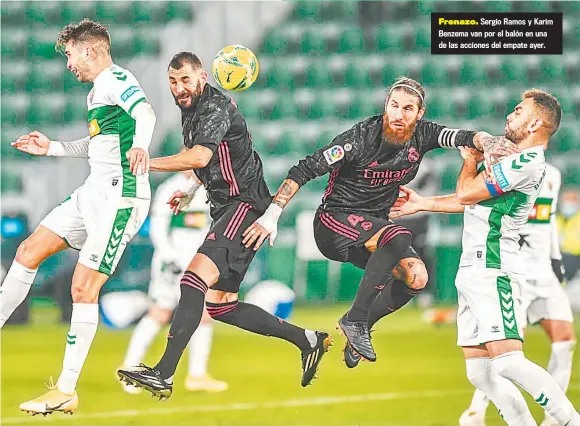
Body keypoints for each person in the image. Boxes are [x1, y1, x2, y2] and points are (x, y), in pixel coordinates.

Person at [242, 76, 517, 365]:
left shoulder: (423, 135)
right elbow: (304, 169)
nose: (399, 114)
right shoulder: (359, 138)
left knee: (416, 277)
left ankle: (355, 324)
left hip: (374, 230)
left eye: (408, 108)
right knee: (398, 236)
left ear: (419, 113)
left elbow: (461, 136)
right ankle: (358, 322)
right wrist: (272, 215)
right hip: (333, 223)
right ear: (386, 105)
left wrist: (486, 140)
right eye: (394, 105)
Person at [117, 52, 331, 400]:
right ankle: (306, 339)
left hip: (243, 206)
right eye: (172, 81)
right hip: (230, 208)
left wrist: (146, 164)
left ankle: (164, 373)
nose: (179, 87)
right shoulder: (192, 112)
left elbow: (200, 156)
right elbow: (211, 163)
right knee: (220, 305)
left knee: (192, 280)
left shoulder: (213, 107)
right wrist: (188, 190)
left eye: (185, 79)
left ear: (202, 76)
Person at [390, 90, 580, 426]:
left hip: (496, 267)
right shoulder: (512, 161)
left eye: (519, 111)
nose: (510, 114)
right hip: (473, 269)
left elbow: (467, 192)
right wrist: (422, 203)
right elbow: (472, 200)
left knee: (507, 362)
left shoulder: (528, 161)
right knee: (479, 372)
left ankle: (569, 420)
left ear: (535, 123)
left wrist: (469, 160)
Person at [2, 19, 155, 415]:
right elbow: (98, 144)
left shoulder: (117, 79)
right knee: (29, 250)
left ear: (89, 50)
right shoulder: (98, 93)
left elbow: (147, 113)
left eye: (70, 54)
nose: (68, 63)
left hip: (120, 199)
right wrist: (52, 147)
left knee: (83, 289)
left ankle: (66, 389)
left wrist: (140, 146)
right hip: (92, 192)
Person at [458, 161, 576, 426]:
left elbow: (550, 219)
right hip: (512, 267)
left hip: (542, 269)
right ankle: (477, 410)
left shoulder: (553, 175)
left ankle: (554, 420)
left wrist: (555, 258)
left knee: (565, 341)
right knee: (502, 353)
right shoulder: (504, 170)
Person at [119, 171, 227, 394]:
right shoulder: (171, 187)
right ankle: (128, 367)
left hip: (199, 263)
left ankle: (197, 375)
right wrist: (169, 257)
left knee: (205, 314)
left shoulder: (210, 187)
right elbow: (158, 227)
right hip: (173, 263)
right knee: (160, 313)